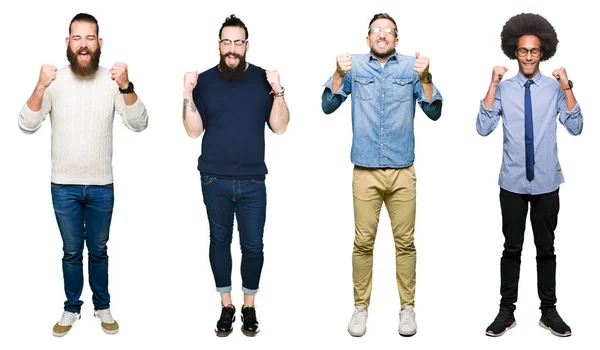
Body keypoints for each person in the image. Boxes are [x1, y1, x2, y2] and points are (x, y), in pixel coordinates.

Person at [18, 13, 148, 337]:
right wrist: (38, 86)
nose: (83, 45)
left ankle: (102, 306)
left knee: (100, 250)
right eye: (77, 38)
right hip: (63, 187)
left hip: (102, 187)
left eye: (90, 38)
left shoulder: (113, 81)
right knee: (72, 251)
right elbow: (26, 124)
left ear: (99, 43)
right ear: (68, 43)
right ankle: (71, 307)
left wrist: (127, 86)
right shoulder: (54, 81)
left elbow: (140, 122)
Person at [321, 12, 443, 337]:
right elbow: (328, 105)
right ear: (368, 38)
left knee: (406, 243)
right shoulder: (354, 67)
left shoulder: (412, 68)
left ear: (396, 39)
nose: (382, 35)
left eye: (389, 31)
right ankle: (360, 308)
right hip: (365, 173)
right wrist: (337, 73)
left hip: (403, 172)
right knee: (363, 243)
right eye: (377, 30)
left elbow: (434, 111)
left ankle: (408, 309)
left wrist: (427, 76)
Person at [182, 14, 289, 337]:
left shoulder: (262, 79)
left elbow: (280, 127)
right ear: (219, 45)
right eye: (226, 41)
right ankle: (226, 305)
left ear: (246, 45)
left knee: (253, 246)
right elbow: (193, 131)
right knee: (219, 241)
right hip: (213, 178)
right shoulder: (203, 81)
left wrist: (279, 91)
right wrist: (187, 94)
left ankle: (249, 306)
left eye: (238, 42)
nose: (232, 48)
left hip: (254, 180)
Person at [476, 13, 582, 338]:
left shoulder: (554, 88)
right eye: (523, 50)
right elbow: (483, 127)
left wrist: (567, 85)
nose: (528, 57)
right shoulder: (504, 89)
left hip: (548, 183)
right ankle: (506, 311)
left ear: (543, 53)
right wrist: (492, 83)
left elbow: (576, 126)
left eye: (534, 51)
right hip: (512, 184)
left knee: (546, 248)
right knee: (511, 249)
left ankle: (548, 311)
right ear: (514, 51)